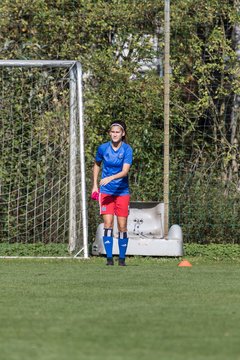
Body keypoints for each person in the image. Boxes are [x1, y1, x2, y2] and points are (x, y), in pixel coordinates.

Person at [92, 121, 133, 266]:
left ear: (123, 134)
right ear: (110, 133)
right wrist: (95, 185)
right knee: (108, 223)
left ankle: (122, 259)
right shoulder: (103, 148)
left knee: (122, 226)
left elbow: (125, 171)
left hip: (122, 192)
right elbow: (97, 164)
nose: (115, 134)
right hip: (106, 192)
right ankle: (109, 259)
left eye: (118, 132)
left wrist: (110, 177)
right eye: (113, 132)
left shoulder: (127, 150)